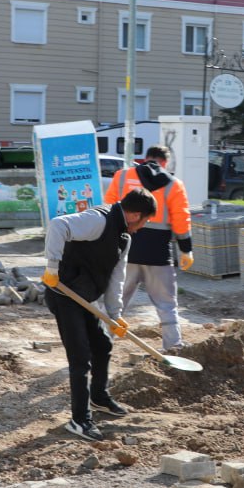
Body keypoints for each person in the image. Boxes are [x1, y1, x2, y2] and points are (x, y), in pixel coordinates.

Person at [42, 188, 157, 441]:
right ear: (136, 214)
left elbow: (117, 277)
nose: (143, 226)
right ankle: (79, 420)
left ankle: (99, 398)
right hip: (64, 294)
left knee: (102, 344)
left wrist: (114, 315)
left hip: (86, 297)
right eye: (146, 220)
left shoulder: (124, 237)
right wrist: (52, 266)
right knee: (80, 357)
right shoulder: (99, 220)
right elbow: (58, 225)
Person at [104, 145, 193, 351]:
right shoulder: (174, 184)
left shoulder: (122, 176)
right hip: (158, 253)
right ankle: (173, 345)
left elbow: (108, 208)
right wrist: (186, 249)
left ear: (145, 159)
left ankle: (102, 341)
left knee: (115, 302)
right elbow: (181, 218)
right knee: (166, 304)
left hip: (126, 248)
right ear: (165, 162)